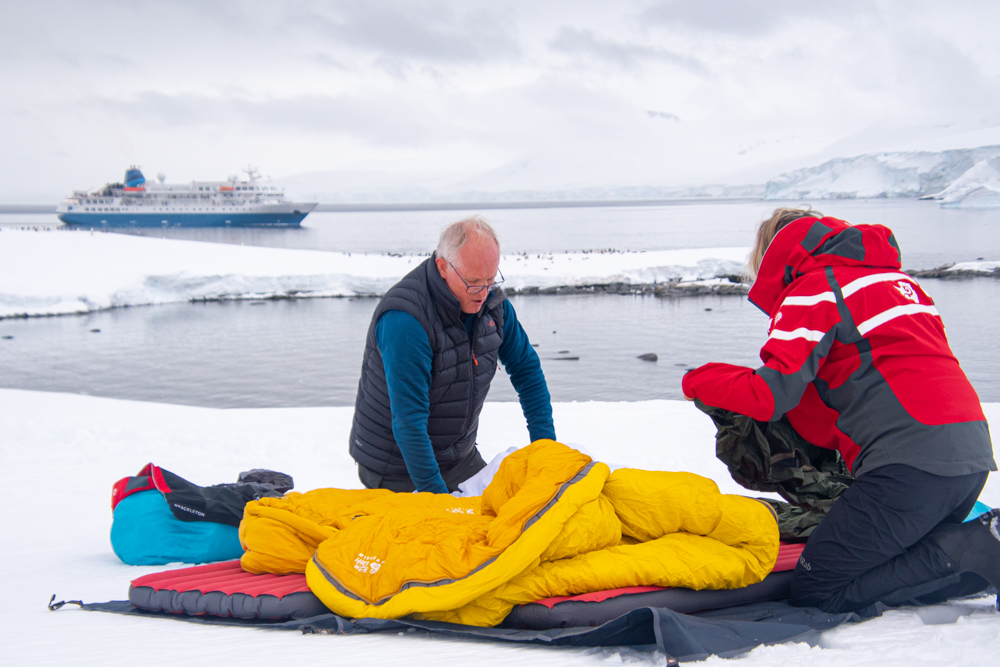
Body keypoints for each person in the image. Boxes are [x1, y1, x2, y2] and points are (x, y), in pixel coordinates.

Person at [682, 207, 999, 613]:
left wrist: (698, 380)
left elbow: (769, 396)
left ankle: (973, 544)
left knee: (819, 589)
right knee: (906, 561)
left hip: (907, 465)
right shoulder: (899, 284)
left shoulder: (814, 288)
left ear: (775, 254)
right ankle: (978, 551)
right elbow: (853, 395)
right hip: (968, 455)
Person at [349, 216, 556, 494]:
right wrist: (438, 500)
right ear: (443, 267)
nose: (483, 293)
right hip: (396, 466)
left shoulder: (492, 301)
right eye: (473, 282)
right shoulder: (406, 320)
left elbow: (527, 370)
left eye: (491, 279)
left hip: (458, 456)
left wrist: (546, 451)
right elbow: (409, 420)